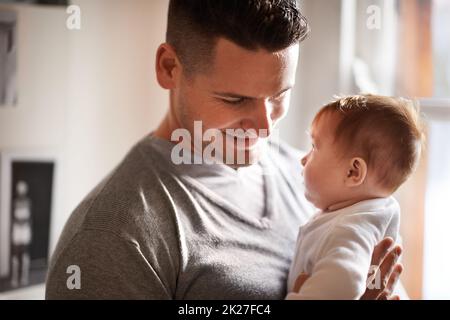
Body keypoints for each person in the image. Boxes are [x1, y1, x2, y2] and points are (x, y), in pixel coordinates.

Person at [45, 0, 403, 299]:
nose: (264, 126)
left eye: (279, 95)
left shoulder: (315, 179)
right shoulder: (113, 239)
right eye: (235, 99)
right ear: (170, 68)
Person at [286, 95, 424, 299]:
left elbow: (345, 283)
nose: (303, 159)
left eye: (314, 147)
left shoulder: (349, 229)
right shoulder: (370, 212)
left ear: (353, 172)